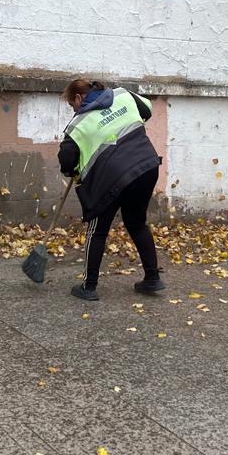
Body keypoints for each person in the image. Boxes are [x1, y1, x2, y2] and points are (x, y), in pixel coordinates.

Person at [58, 79, 164, 301]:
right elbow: (147, 110)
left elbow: (66, 160)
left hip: (111, 180)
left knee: (97, 230)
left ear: (78, 98)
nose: (74, 110)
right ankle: (152, 279)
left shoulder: (78, 126)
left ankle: (89, 287)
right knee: (137, 223)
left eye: (72, 105)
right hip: (146, 167)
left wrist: (72, 171)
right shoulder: (123, 95)